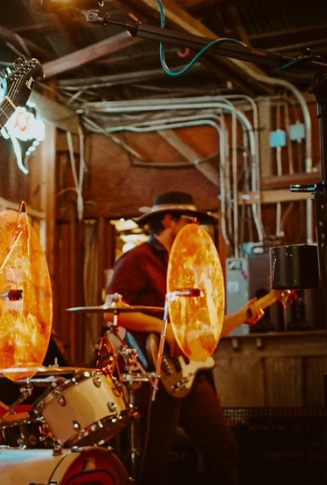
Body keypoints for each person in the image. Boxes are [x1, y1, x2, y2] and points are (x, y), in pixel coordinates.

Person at [105, 191, 237, 484]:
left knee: (223, 447)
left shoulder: (191, 266)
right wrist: (163, 328)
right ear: (168, 220)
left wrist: (242, 317)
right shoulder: (137, 259)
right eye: (190, 220)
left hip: (192, 371)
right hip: (155, 374)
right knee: (155, 461)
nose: (196, 228)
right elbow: (112, 313)